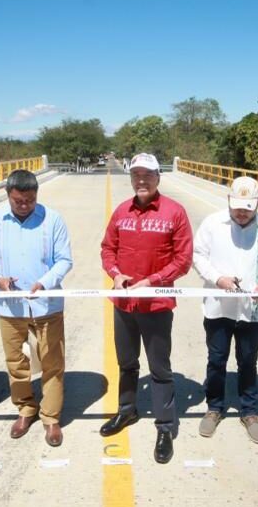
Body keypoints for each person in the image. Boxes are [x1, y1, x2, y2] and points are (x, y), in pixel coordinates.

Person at [99, 152, 193, 464]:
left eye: (147, 175)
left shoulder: (174, 212)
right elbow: (107, 249)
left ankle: (165, 426)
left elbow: (183, 260)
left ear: (158, 178)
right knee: (126, 363)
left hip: (156, 304)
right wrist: (115, 275)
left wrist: (152, 280)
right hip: (124, 303)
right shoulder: (121, 211)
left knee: (159, 368)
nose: (141, 180)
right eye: (136, 175)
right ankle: (126, 411)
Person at [0, 169, 72, 447]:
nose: (25, 205)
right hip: (10, 306)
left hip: (47, 304)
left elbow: (64, 260)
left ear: (36, 194)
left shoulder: (52, 220)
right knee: (16, 362)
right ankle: (25, 409)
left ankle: (51, 418)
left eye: (29, 200)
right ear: (8, 196)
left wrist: (45, 282)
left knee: (53, 362)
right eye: (18, 201)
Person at [192, 176, 258, 444]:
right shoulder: (213, 223)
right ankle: (214, 408)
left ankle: (249, 410)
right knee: (216, 358)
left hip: (252, 309)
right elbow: (197, 256)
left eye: (247, 206)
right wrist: (218, 279)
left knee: (248, 360)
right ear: (229, 201)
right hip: (218, 306)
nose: (242, 212)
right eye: (237, 207)